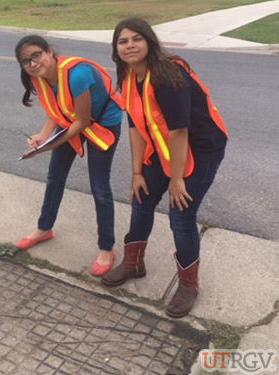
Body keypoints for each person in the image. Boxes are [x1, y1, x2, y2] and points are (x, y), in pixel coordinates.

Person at [101, 18, 228, 318]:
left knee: (181, 213)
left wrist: (176, 178)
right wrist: (136, 173)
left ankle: (188, 284)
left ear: (150, 42)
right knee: (141, 196)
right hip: (165, 145)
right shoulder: (130, 77)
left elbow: (179, 131)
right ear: (116, 50)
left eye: (136, 39)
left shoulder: (167, 75)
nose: (129, 45)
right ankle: (134, 263)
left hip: (201, 146)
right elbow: (135, 126)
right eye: (123, 41)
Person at [14, 35, 124, 276]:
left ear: (50, 51)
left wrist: (46, 147)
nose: (33, 63)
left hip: (103, 123)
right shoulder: (38, 78)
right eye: (26, 61)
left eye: (36, 55)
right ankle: (44, 229)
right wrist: (43, 136)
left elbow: (83, 122)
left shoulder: (78, 73)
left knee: (99, 186)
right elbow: (56, 108)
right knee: (55, 177)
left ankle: (107, 248)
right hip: (72, 120)